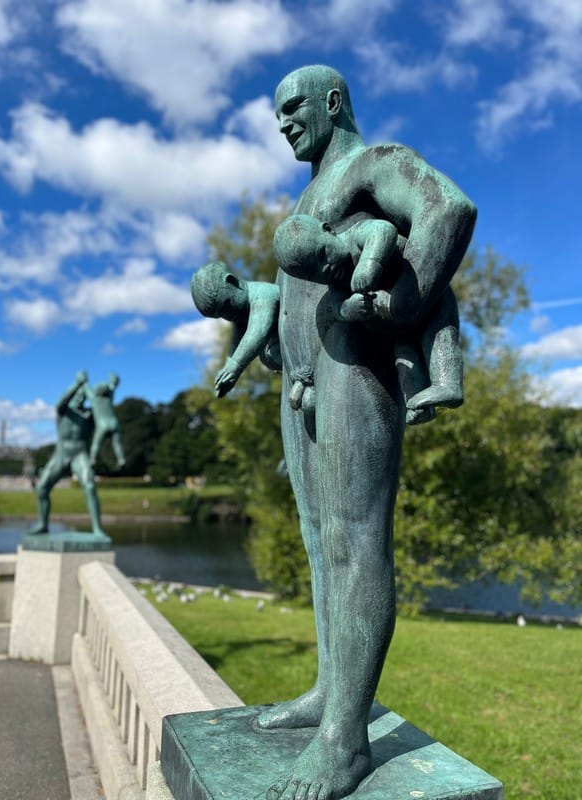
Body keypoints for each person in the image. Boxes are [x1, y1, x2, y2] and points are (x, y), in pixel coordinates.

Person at [259, 65, 476, 800]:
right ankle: (331, 692)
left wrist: (403, 305)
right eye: (277, 113)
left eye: (294, 108)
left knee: (354, 541)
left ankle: (346, 740)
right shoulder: (310, 193)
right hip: (302, 384)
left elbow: (449, 208)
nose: (284, 123)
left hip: (353, 367)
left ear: (332, 102)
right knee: (319, 541)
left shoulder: (375, 162)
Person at [273, 213, 464, 422]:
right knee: (404, 355)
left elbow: (383, 230)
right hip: (400, 326)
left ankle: (448, 384)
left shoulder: (355, 236)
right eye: (314, 274)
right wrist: (350, 308)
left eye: (322, 255)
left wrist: (369, 264)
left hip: (426, 297)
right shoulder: (335, 282)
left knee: (440, 335)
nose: (324, 268)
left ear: (328, 230)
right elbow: (338, 308)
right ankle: (418, 404)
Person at [29, 371, 106, 537]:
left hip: (80, 454)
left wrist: (87, 387)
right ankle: (42, 524)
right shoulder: (63, 411)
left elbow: (98, 407)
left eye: (82, 396)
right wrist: (78, 384)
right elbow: (61, 402)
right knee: (42, 488)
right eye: (77, 394)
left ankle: (97, 528)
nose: (79, 397)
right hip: (61, 454)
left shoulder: (89, 416)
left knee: (90, 487)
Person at [191, 261, 281, 398]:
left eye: (226, 306)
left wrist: (234, 367)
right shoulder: (242, 315)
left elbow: (258, 332)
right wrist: (226, 374)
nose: (227, 315)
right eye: (221, 315)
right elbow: (235, 348)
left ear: (232, 281)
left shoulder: (263, 294)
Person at [84, 373, 126, 468]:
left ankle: (92, 459)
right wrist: (113, 380)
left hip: (102, 424)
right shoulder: (109, 397)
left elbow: (87, 388)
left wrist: (85, 380)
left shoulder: (94, 399)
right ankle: (121, 459)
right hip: (114, 423)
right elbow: (112, 387)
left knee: (96, 443)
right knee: (117, 443)